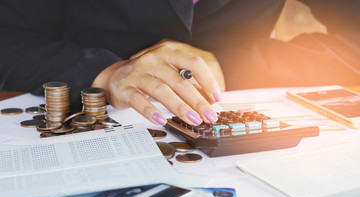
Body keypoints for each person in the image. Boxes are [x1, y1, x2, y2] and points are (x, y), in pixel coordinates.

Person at [0, 0, 359, 126]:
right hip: (92, 117)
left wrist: (236, 66)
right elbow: (9, 33)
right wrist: (104, 72)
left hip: (239, 125)